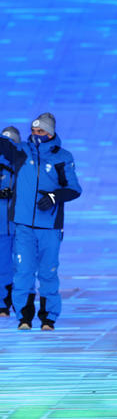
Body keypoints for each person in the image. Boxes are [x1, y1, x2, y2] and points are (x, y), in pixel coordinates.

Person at [0, 113, 82, 330]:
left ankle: (48, 317)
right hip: (24, 225)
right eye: (34, 131)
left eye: (41, 131)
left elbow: (74, 189)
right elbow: (3, 145)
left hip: (50, 227)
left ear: (51, 132)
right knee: (24, 270)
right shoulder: (22, 152)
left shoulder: (62, 156)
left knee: (48, 271)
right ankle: (24, 317)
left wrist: (54, 197)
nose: (36, 135)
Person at [0, 126, 20, 316]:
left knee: (22, 266)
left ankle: (20, 302)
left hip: (20, 224)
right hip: (2, 225)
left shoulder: (23, 162)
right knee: (3, 265)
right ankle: (3, 303)